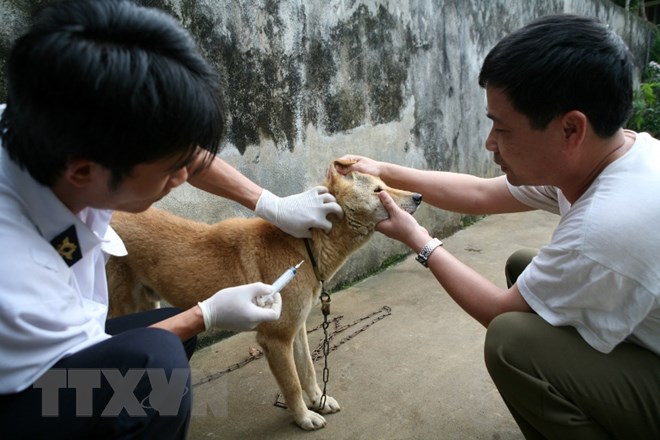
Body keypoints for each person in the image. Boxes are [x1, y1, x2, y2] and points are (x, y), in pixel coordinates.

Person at [0, 0, 341, 438]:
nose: (184, 177)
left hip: (54, 338)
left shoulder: (56, 125)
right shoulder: (16, 267)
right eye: (170, 169)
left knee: (166, 343)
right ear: (84, 170)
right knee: (157, 365)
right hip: (25, 395)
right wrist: (207, 313)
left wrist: (269, 203)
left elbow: (190, 157)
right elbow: (66, 371)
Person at [339, 14, 659, 439]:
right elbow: (479, 194)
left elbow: (498, 312)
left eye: (502, 127)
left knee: (512, 343)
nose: (490, 142)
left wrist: (418, 240)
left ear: (570, 128)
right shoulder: (622, 152)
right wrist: (383, 169)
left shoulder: (607, 225)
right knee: (526, 269)